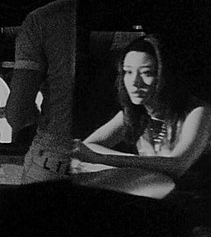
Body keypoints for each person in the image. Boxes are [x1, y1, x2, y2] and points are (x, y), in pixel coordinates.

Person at [71, 34, 211, 199]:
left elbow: (178, 165)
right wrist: (129, 161)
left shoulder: (199, 111)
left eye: (146, 73)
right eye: (128, 72)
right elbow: (88, 146)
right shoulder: (135, 112)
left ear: (166, 75)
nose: (134, 82)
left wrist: (101, 158)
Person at [7, 0, 77, 184]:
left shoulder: (41, 21)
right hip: (121, 160)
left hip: (55, 158)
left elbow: (17, 114)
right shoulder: (137, 14)